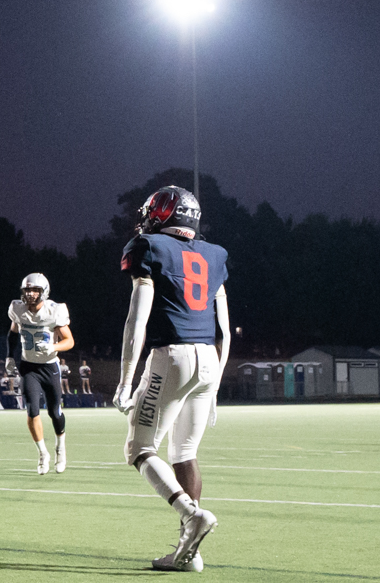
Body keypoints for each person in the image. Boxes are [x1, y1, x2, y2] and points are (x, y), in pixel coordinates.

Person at [114, 185, 230, 572]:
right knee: (185, 454)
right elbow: (224, 331)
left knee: (139, 449)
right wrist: (214, 387)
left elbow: (137, 321)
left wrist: (125, 379)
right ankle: (189, 554)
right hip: (208, 360)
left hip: (172, 355)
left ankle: (190, 514)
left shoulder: (147, 246)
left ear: (162, 213)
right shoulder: (214, 255)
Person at [8, 272, 74, 474]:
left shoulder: (55, 311)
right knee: (32, 411)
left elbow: (69, 341)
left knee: (55, 412)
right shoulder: (17, 309)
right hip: (29, 367)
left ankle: (60, 448)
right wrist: (10, 357)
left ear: (44, 292)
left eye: (35, 290)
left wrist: (54, 347)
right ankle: (43, 453)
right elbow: (13, 332)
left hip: (49, 367)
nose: (30, 294)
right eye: (27, 290)